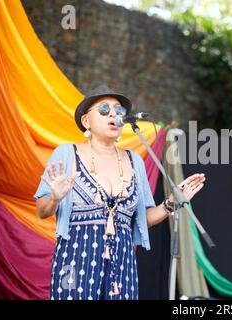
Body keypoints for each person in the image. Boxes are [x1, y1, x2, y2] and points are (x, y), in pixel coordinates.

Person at [34, 84, 206, 300]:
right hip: (76, 261)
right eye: (104, 109)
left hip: (122, 264)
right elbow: (41, 210)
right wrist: (55, 198)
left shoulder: (135, 161)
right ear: (86, 121)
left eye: (119, 110)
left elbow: (142, 219)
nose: (114, 114)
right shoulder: (68, 153)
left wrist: (171, 202)